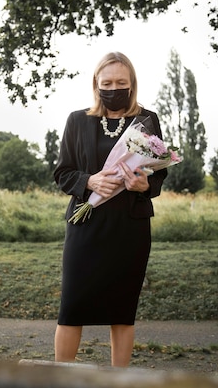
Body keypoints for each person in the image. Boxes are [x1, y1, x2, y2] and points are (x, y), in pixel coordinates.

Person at [53, 51, 168, 367]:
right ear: (96, 84)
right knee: (72, 309)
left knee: (122, 312)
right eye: (107, 83)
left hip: (129, 229)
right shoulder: (78, 120)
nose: (114, 88)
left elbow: (159, 172)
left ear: (131, 84)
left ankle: (120, 382)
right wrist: (89, 181)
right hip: (85, 226)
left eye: (121, 82)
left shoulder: (147, 120)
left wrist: (145, 186)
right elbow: (62, 173)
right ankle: (59, 379)